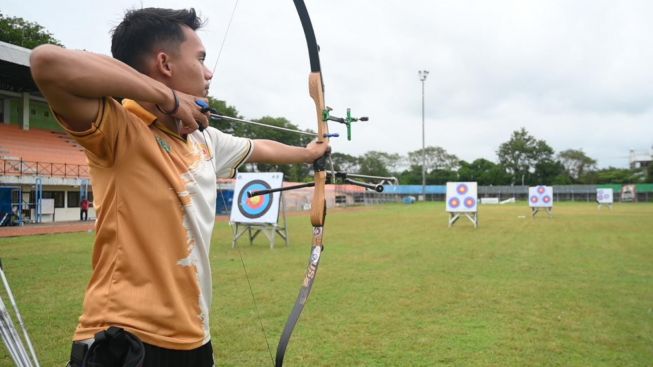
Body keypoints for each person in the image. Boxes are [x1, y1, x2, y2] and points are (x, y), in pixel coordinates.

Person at [29, 7, 328, 367]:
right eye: (200, 58)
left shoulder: (202, 139)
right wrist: (169, 99)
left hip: (193, 338)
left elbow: (260, 146)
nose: (208, 71)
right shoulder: (119, 128)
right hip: (126, 339)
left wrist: (310, 153)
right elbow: (46, 62)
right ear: (164, 63)